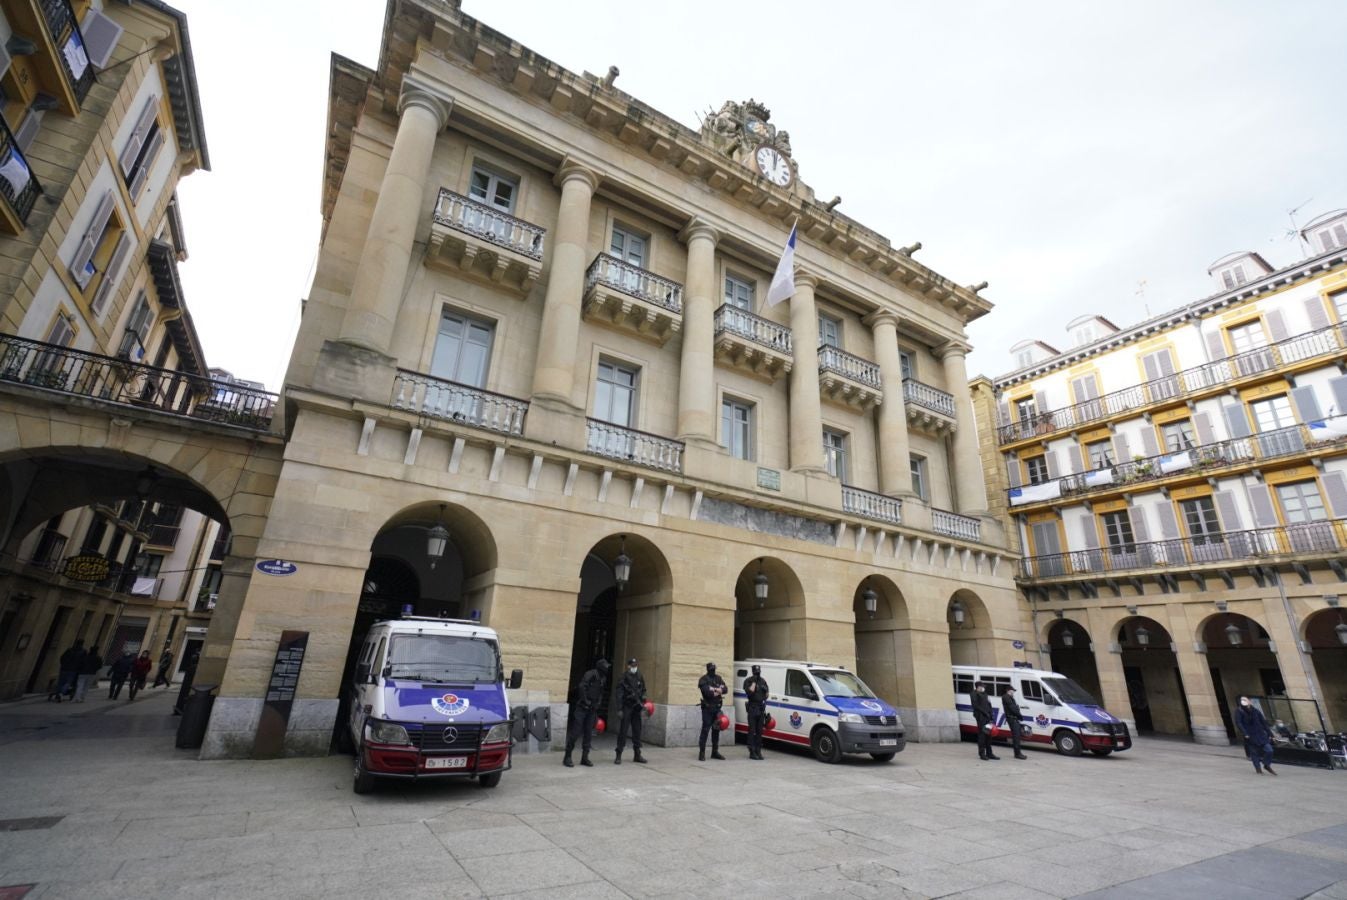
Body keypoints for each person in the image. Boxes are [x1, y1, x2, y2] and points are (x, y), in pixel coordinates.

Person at [563, 658, 608, 768]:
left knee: (588, 734)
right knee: (575, 733)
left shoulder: (603, 678)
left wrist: (598, 703)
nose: (607, 668)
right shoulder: (591, 674)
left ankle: (585, 757)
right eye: (605, 666)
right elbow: (582, 686)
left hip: (592, 709)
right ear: (600, 666)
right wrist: (585, 700)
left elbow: (601, 692)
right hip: (582, 708)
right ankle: (567, 757)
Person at [614, 657, 647, 765]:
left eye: (635, 666)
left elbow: (644, 690)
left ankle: (637, 754)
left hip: (636, 708)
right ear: (628, 666)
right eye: (632, 666)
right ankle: (618, 754)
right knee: (623, 731)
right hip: (627, 707)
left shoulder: (639, 675)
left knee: (637, 731)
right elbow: (619, 694)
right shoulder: (623, 677)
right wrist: (619, 709)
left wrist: (643, 701)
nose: (634, 667)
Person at [1236, 696, 1276, 775]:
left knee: (1269, 750)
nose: (1245, 701)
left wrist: (1270, 734)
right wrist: (1245, 733)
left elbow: (1263, 722)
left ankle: (1266, 764)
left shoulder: (1256, 711)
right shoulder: (1239, 711)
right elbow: (1239, 723)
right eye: (1243, 700)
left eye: (1246, 700)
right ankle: (1258, 769)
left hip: (1260, 734)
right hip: (1250, 735)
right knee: (1254, 753)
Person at [697, 661, 728, 761]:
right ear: (708, 669)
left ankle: (715, 752)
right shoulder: (703, 679)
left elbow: (725, 689)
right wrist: (718, 690)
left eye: (714, 669)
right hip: (707, 708)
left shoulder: (718, 678)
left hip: (717, 708)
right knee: (705, 730)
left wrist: (716, 690)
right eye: (711, 669)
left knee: (716, 730)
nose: (713, 671)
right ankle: (702, 752)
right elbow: (707, 692)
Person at [743, 663, 770, 761]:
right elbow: (749, 692)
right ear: (753, 672)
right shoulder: (748, 681)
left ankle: (758, 750)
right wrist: (754, 682)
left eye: (758, 672)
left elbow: (766, 695)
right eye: (755, 672)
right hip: (752, 708)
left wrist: (766, 690)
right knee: (752, 730)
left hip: (761, 708)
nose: (757, 674)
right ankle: (751, 751)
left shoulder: (763, 681)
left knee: (759, 731)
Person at [971, 681, 999, 761]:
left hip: (987, 717)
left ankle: (989, 753)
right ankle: (982, 754)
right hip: (980, 717)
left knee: (989, 735)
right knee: (982, 736)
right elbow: (976, 706)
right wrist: (985, 713)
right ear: (978, 687)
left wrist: (991, 714)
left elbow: (989, 704)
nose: (983, 688)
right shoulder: (973, 694)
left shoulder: (985, 694)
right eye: (982, 686)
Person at [1001, 685, 1027, 760]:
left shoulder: (1010, 697)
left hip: (1014, 718)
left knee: (1017, 736)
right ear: (1009, 690)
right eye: (1013, 691)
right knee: (1016, 736)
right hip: (1012, 718)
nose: (1014, 692)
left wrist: (1018, 714)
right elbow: (1013, 708)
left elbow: (1015, 707)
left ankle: (1018, 753)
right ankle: (1017, 754)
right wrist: (1020, 716)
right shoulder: (1006, 697)